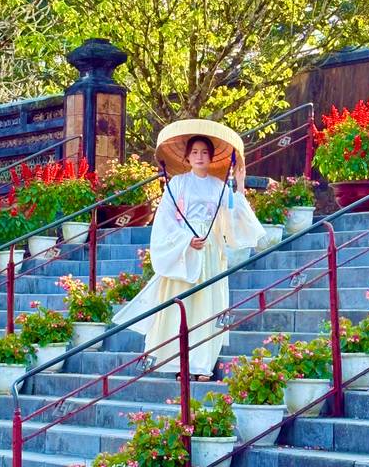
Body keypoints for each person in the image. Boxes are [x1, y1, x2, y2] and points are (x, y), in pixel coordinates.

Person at [113, 130, 265, 381]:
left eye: (205, 152)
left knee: (208, 306)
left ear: (212, 157)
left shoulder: (219, 186)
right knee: (182, 306)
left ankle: (203, 364)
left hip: (211, 250)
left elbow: (235, 213)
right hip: (185, 250)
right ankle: (179, 362)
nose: (199, 156)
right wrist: (185, 241)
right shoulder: (178, 183)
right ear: (187, 156)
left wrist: (239, 183)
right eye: (194, 152)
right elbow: (164, 219)